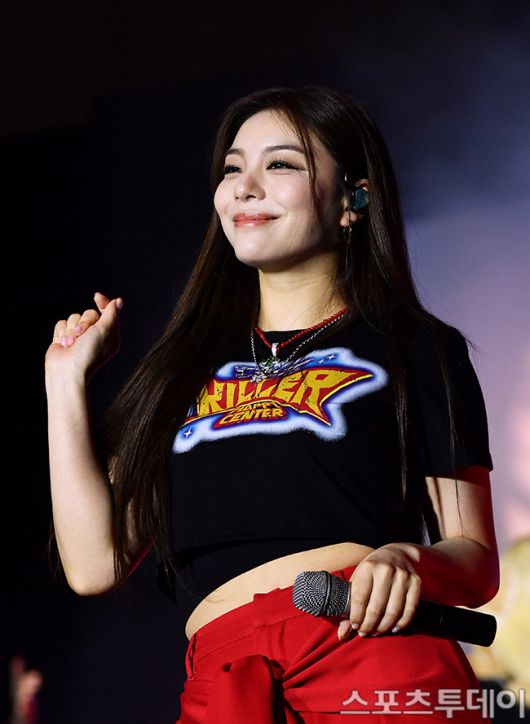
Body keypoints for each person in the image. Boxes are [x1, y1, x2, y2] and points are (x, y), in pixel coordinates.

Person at [45, 85, 500, 722]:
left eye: (280, 164)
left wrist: (408, 559)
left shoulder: (415, 347)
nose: (245, 188)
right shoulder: (180, 367)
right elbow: (96, 563)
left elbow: (475, 561)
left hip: (367, 655)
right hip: (222, 679)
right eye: (232, 169)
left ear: (353, 199)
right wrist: (64, 382)